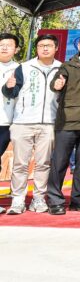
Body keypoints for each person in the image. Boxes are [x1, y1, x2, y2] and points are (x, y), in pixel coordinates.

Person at [3, 34, 62, 215]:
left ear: (56, 48)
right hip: (23, 122)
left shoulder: (62, 68)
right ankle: (18, 199)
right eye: (41, 45)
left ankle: (38, 198)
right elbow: (10, 93)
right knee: (20, 164)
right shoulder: (24, 67)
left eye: (49, 45)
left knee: (43, 163)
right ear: (37, 48)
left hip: (49, 123)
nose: (45, 48)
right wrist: (9, 86)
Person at [47, 33, 80, 215]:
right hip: (68, 120)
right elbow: (55, 83)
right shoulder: (68, 66)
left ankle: (79, 199)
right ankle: (55, 200)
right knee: (59, 162)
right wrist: (57, 84)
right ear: (78, 46)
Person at [0, 32, 21, 214]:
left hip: (6, 121)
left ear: (17, 49)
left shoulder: (21, 69)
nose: (4, 47)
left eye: (8, 45)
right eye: (1, 44)